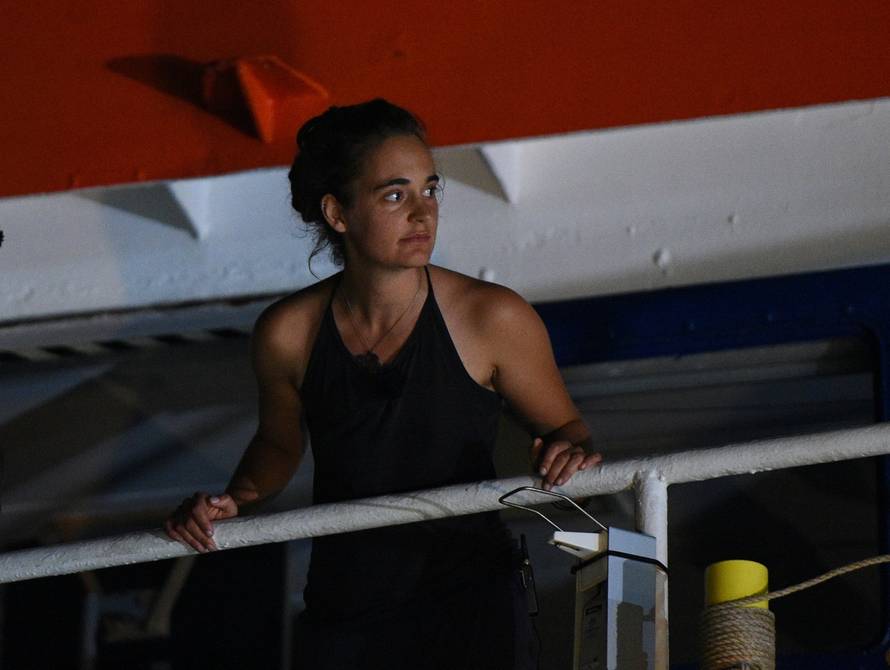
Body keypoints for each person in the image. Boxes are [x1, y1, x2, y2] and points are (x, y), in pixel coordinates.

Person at [165, 98, 601, 669]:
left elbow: (572, 436)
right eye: (395, 195)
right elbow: (278, 445)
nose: (423, 214)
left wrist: (571, 460)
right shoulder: (286, 332)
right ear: (337, 213)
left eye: (430, 189)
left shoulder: (492, 317)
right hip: (346, 610)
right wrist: (229, 503)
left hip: (473, 603)